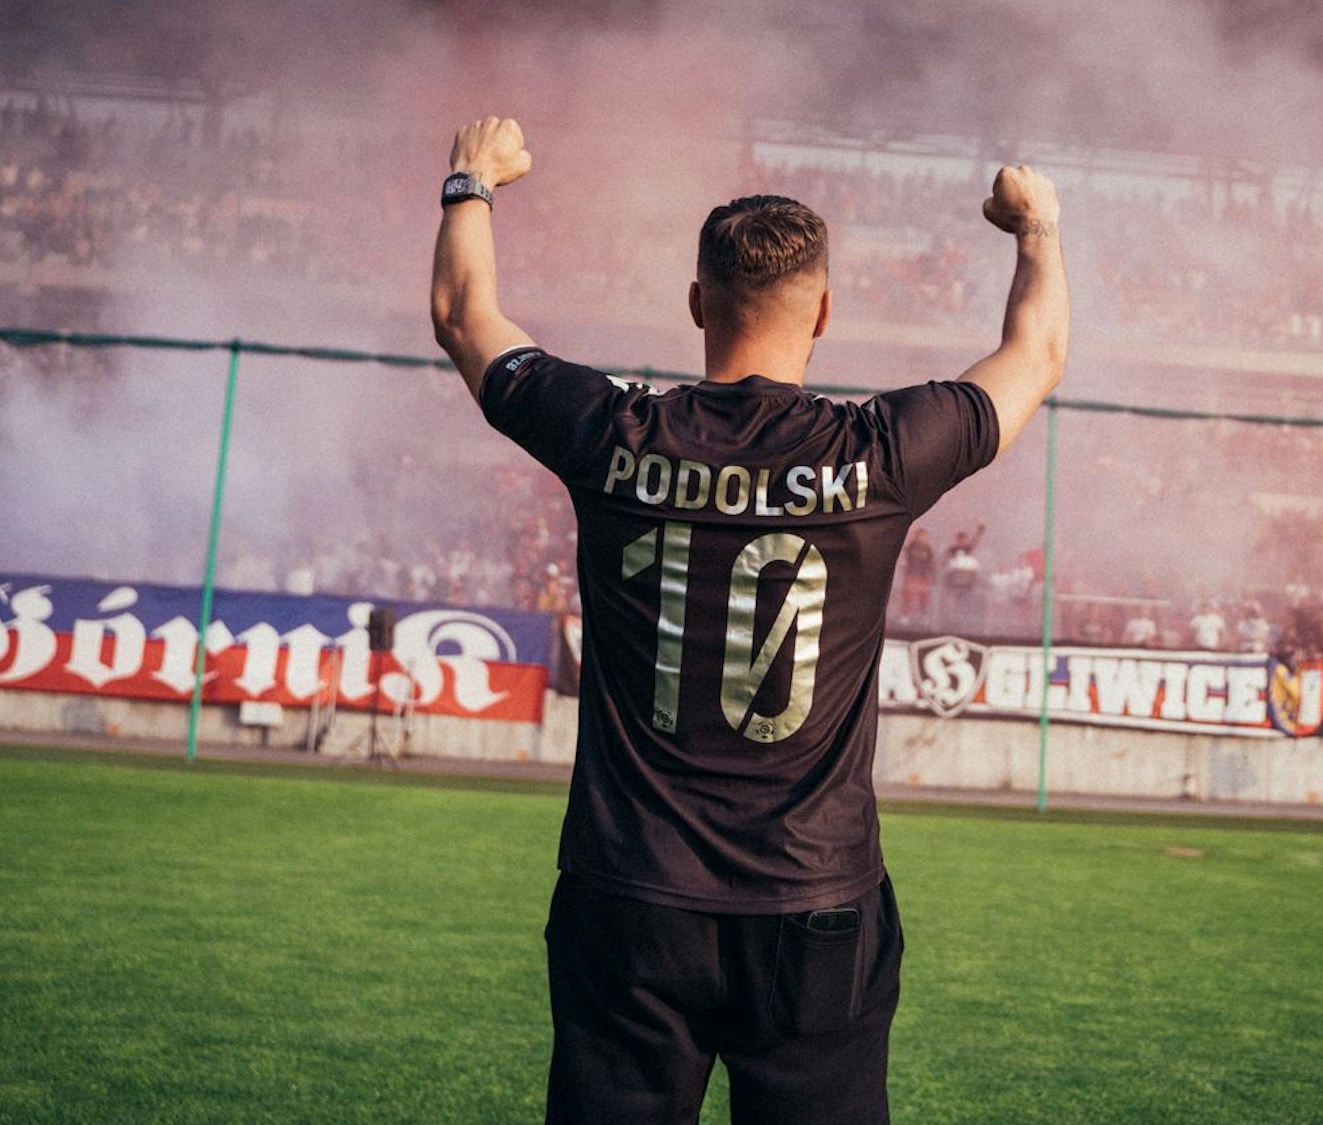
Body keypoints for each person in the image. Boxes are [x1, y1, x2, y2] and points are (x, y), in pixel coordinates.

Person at [430, 116, 1068, 1124]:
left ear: (696, 302)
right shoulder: (877, 454)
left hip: (629, 897)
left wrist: (472, 180)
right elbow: (1036, 353)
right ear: (824, 313)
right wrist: (1035, 227)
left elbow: (464, 318)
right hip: (814, 904)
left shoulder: (614, 433)